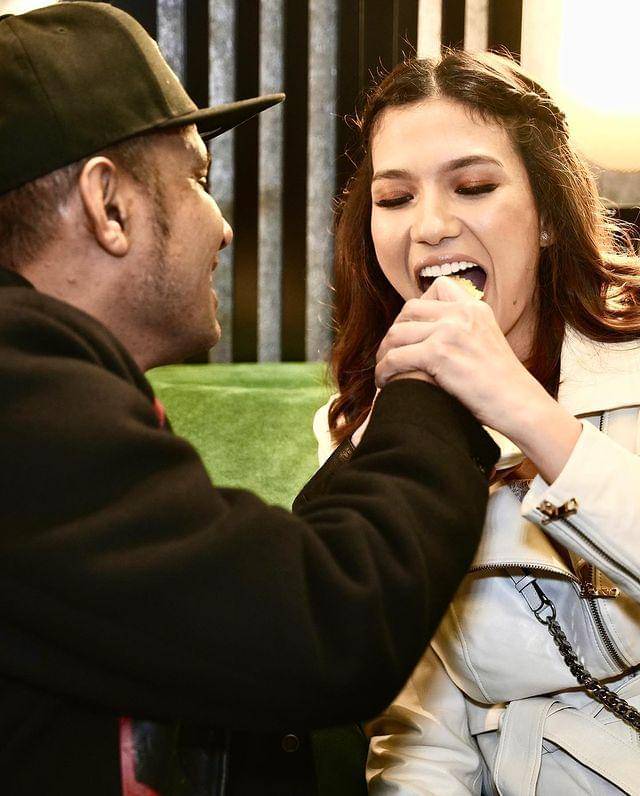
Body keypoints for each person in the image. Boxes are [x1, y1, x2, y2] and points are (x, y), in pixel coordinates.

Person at [0, 5, 499, 795]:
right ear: (109, 205)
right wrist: (430, 384)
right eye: (197, 181)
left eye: (473, 186)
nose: (224, 228)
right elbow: (325, 628)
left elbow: (219, 613)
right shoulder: (21, 398)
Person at [310, 51, 640, 794]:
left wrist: (517, 406)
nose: (429, 226)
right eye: (395, 198)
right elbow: (417, 727)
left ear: (549, 214)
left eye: (474, 187)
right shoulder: (365, 428)